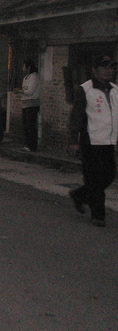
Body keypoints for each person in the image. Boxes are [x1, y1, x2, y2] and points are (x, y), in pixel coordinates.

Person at [68, 55, 118, 228]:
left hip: (108, 141)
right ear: (94, 70)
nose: (108, 71)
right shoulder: (85, 89)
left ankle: (80, 195)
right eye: (104, 67)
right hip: (91, 141)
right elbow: (77, 116)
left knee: (109, 175)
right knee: (94, 180)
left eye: (111, 67)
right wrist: (74, 140)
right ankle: (98, 215)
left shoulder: (115, 90)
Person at [21, 59, 41, 152]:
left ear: (28, 67)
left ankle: (32, 145)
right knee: (26, 125)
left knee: (31, 125)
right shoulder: (26, 77)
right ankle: (27, 144)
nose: (23, 68)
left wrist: (21, 91)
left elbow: (30, 91)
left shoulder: (34, 77)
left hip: (32, 104)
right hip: (25, 104)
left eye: (24, 66)